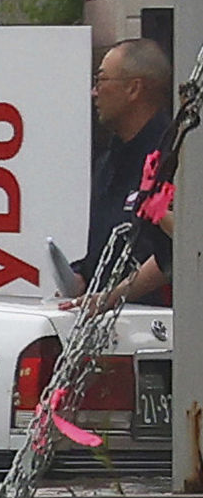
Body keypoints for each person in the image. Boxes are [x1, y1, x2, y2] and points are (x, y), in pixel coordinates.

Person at [76, 37, 174, 308]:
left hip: (160, 327)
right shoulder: (108, 161)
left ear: (134, 88)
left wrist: (112, 297)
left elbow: (176, 249)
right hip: (104, 329)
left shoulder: (175, 157)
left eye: (101, 81)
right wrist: (80, 275)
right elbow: (106, 243)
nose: (94, 93)